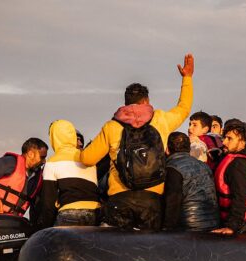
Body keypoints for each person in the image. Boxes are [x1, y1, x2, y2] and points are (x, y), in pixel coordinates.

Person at [80, 54, 194, 231]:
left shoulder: (112, 126)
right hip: (152, 200)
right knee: (149, 254)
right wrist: (187, 79)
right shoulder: (160, 119)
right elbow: (183, 108)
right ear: (146, 101)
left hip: (119, 199)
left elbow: (87, 159)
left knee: (117, 255)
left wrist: (70, 149)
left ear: (125, 103)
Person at [37, 120, 100, 228]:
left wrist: (44, 229)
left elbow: (48, 203)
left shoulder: (52, 162)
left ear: (54, 138)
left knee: (58, 244)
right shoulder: (88, 158)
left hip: (69, 214)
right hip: (95, 213)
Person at [0, 138, 48, 220]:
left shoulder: (37, 177)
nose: (44, 161)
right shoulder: (8, 163)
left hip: (12, 222)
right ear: (30, 154)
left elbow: (36, 205)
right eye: (42, 157)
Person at [162, 132, 219, 231]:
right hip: (213, 223)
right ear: (189, 149)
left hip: (189, 226)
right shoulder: (205, 166)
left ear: (167, 150)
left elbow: (173, 202)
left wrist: (167, 228)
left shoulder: (172, 168)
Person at [212, 119, 246, 234]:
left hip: (243, 226)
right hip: (240, 223)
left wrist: (231, 227)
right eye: (224, 138)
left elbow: (240, 197)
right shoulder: (232, 159)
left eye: (230, 139)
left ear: (242, 142)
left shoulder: (238, 164)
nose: (224, 142)